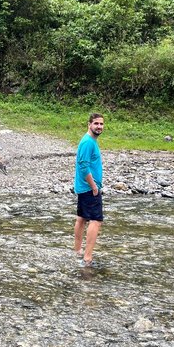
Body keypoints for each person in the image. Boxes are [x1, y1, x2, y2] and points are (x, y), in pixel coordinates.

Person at [73, 113, 104, 266]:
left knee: (82, 218)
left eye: (101, 124)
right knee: (96, 220)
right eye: (96, 123)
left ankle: (77, 251)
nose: (99, 126)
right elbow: (83, 165)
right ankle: (87, 257)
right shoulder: (88, 142)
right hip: (88, 188)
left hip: (84, 187)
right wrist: (94, 186)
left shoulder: (90, 141)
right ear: (89, 124)